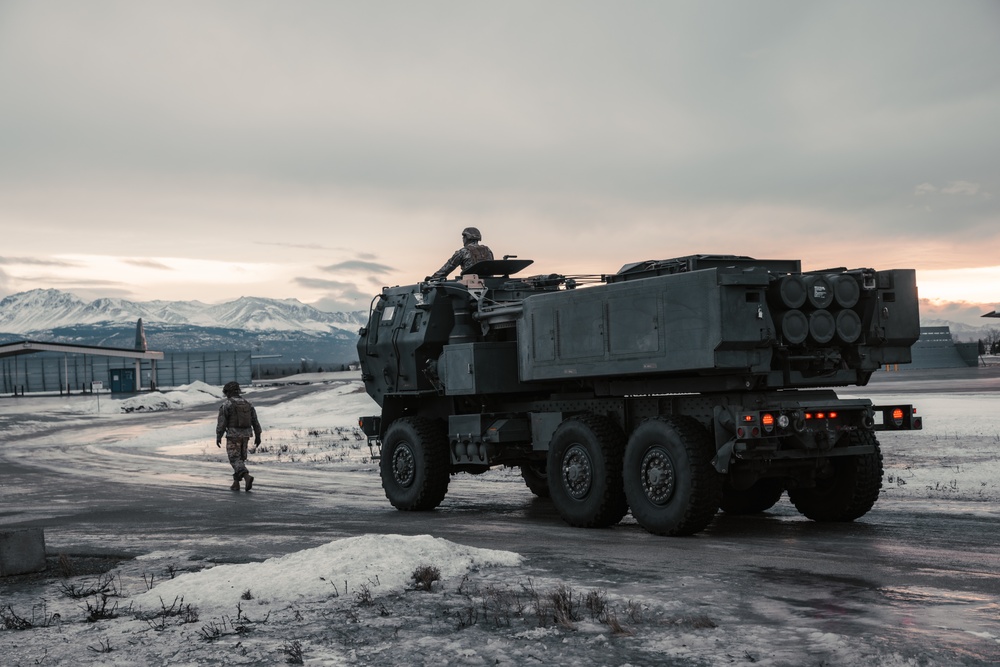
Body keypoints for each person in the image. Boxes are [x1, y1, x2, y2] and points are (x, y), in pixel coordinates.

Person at [216, 381, 262, 491]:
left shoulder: (227, 404)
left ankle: (246, 476)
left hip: (233, 435)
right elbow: (255, 421)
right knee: (240, 458)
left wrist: (219, 435)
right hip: (246, 435)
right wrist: (258, 435)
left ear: (229, 392)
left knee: (234, 458)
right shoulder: (248, 403)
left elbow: (222, 422)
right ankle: (236, 483)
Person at [429, 227, 494, 280]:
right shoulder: (488, 250)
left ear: (468, 237)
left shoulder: (463, 251)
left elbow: (448, 267)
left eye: (464, 237)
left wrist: (433, 277)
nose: (463, 239)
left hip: (469, 284)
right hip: (489, 283)